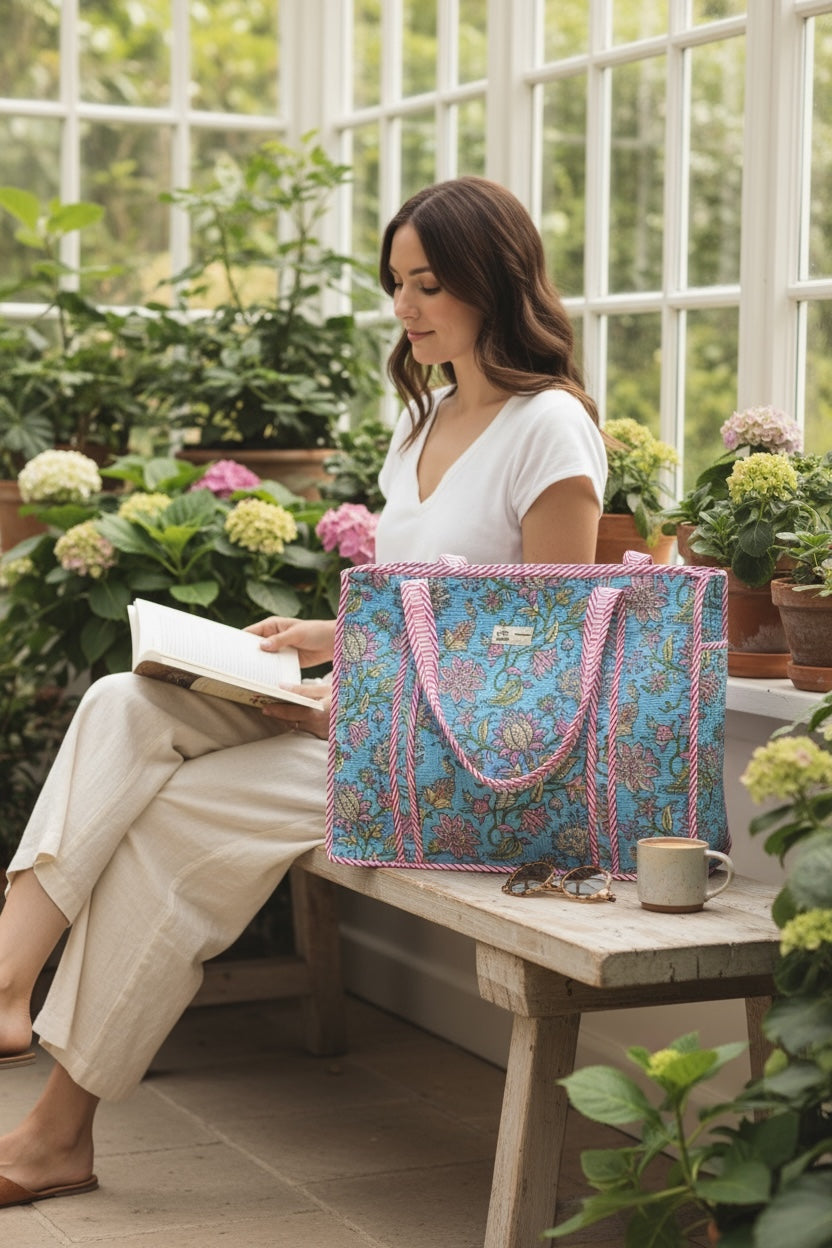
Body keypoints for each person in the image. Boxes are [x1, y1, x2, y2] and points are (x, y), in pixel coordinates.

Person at [0, 175, 606, 1208]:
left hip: (480, 771)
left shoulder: (550, 429)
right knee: (122, 700)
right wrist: (326, 642)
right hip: (378, 725)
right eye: (396, 283)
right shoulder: (423, 423)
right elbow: (417, 606)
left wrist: (334, 703)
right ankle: (11, 982)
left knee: (179, 817)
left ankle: (55, 1134)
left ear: (492, 281)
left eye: (428, 283)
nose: (406, 306)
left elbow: (546, 660)